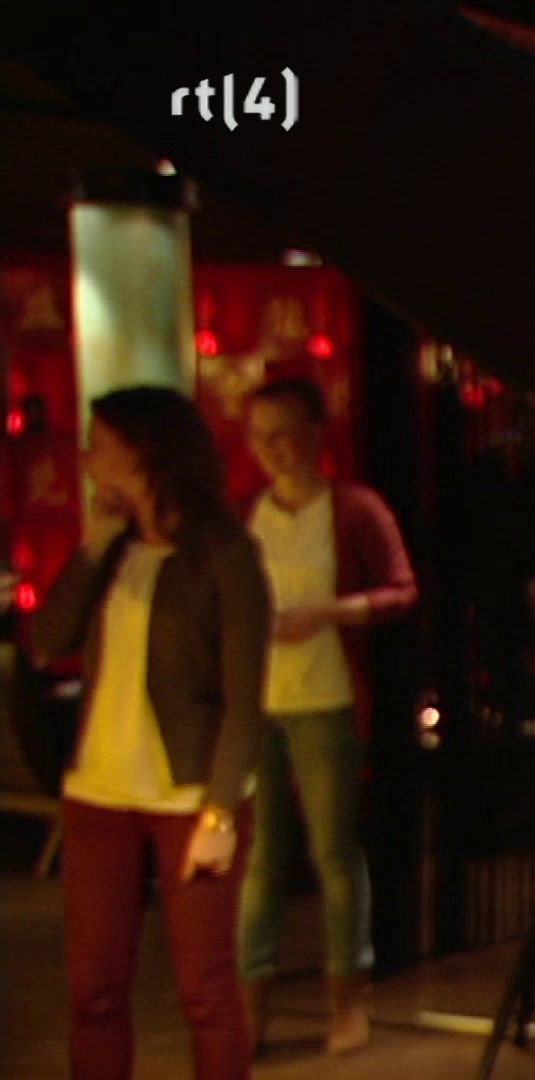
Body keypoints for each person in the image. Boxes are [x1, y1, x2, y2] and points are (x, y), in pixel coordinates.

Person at [31, 385, 269, 1080]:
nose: (88, 459)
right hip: (99, 792)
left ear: (147, 451)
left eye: (101, 446)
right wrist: (92, 546)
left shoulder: (223, 552)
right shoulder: (115, 549)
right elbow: (49, 640)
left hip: (188, 795)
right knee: (94, 990)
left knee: (205, 990)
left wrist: (219, 811)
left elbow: (244, 700)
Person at [236, 376, 417, 1055]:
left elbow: (402, 590)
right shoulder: (247, 515)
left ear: (316, 433)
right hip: (258, 704)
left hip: (327, 700)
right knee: (259, 860)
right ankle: (250, 1006)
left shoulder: (353, 509)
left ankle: (349, 998)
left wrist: (329, 613)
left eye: (285, 434)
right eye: (261, 437)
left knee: (334, 853)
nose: (272, 449)